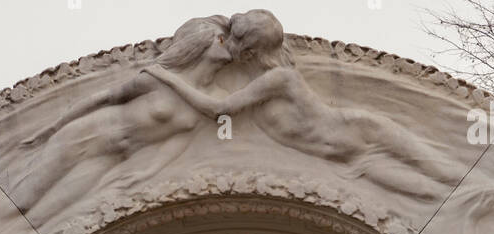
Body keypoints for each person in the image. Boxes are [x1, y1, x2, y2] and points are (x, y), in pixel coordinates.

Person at [143, 8, 464, 201]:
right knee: (436, 197)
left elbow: (218, 111)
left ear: (255, 50)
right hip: (352, 159)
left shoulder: (278, 80)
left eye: (242, 44)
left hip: (363, 131)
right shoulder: (261, 80)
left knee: (451, 175)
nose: (234, 48)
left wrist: (168, 77)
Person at [13, 14, 235, 219]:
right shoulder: (156, 77)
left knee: (45, 217)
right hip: (84, 135)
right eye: (221, 38)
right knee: (20, 203)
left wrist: (150, 170)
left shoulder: (215, 97)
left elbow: (181, 138)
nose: (229, 44)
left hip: (111, 158)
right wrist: (52, 128)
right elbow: (105, 98)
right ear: (200, 42)